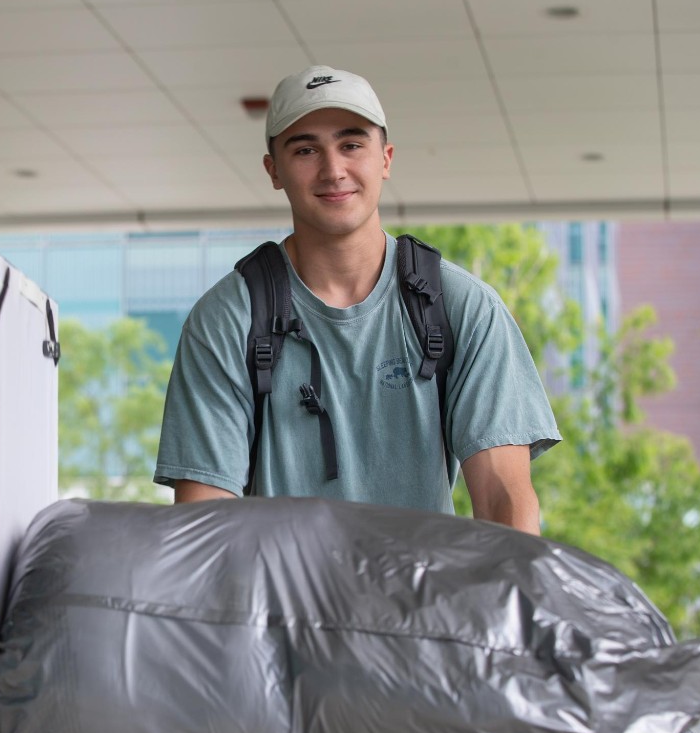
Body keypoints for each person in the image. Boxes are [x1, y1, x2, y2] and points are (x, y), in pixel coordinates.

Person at [153, 65, 560, 534]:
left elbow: (501, 496)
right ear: (274, 171)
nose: (333, 170)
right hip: (285, 604)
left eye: (351, 145)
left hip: (424, 602)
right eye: (305, 149)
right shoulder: (228, 319)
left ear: (385, 158)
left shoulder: (461, 306)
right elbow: (204, 522)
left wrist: (510, 601)